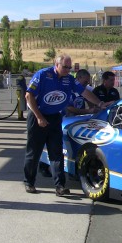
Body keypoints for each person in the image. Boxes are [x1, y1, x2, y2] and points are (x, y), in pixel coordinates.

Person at [23, 54, 105, 196]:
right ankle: (29, 182)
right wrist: (39, 117)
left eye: (69, 67)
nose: (68, 70)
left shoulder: (69, 79)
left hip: (55, 117)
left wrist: (100, 103)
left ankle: (60, 186)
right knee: (34, 152)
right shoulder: (43, 75)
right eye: (65, 67)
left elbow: (84, 92)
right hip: (38, 116)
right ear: (57, 64)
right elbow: (28, 96)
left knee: (57, 152)